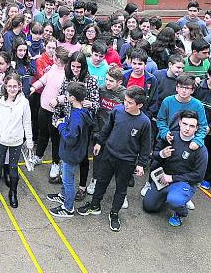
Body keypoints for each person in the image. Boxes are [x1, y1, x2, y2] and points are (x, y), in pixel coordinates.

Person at [78, 86, 150, 231]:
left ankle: (114, 213)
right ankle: (94, 205)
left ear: (139, 105)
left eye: (130, 103)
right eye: (125, 100)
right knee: (101, 181)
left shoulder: (144, 122)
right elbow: (107, 129)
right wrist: (99, 142)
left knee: (121, 188)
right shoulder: (117, 111)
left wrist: (141, 164)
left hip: (127, 161)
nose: (125, 104)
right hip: (109, 154)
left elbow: (145, 146)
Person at [142, 109, 208, 227]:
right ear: (179, 123)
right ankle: (167, 196)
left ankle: (180, 211)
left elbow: (198, 176)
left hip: (183, 182)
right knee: (148, 206)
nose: (187, 128)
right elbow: (153, 154)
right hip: (163, 178)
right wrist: (162, 154)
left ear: (197, 128)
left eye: (192, 126)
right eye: (185, 124)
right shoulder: (170, 137)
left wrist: (172, 178)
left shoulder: (200, 149)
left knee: (175, 200)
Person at [0, 73, 32, 207]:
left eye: (15, 86)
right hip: (1, 139)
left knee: (13, 167)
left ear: (20, 87)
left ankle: (13, 192)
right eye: (9, 86)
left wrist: (29, 140)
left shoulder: (24, 102)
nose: (12, 89)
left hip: (16, 141)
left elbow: (27, 122)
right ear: (5, 86)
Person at [48, 81, 93, 217]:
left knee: (68, 181)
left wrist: (60, 125)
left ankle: (68, 208)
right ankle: (63, 196)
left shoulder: (76, 117)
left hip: (71, 154)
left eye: (68, 94)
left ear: (72, 98)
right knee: (65, 177)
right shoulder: (82, 112)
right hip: (72, 152)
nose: (66, 95)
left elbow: (70, 137)